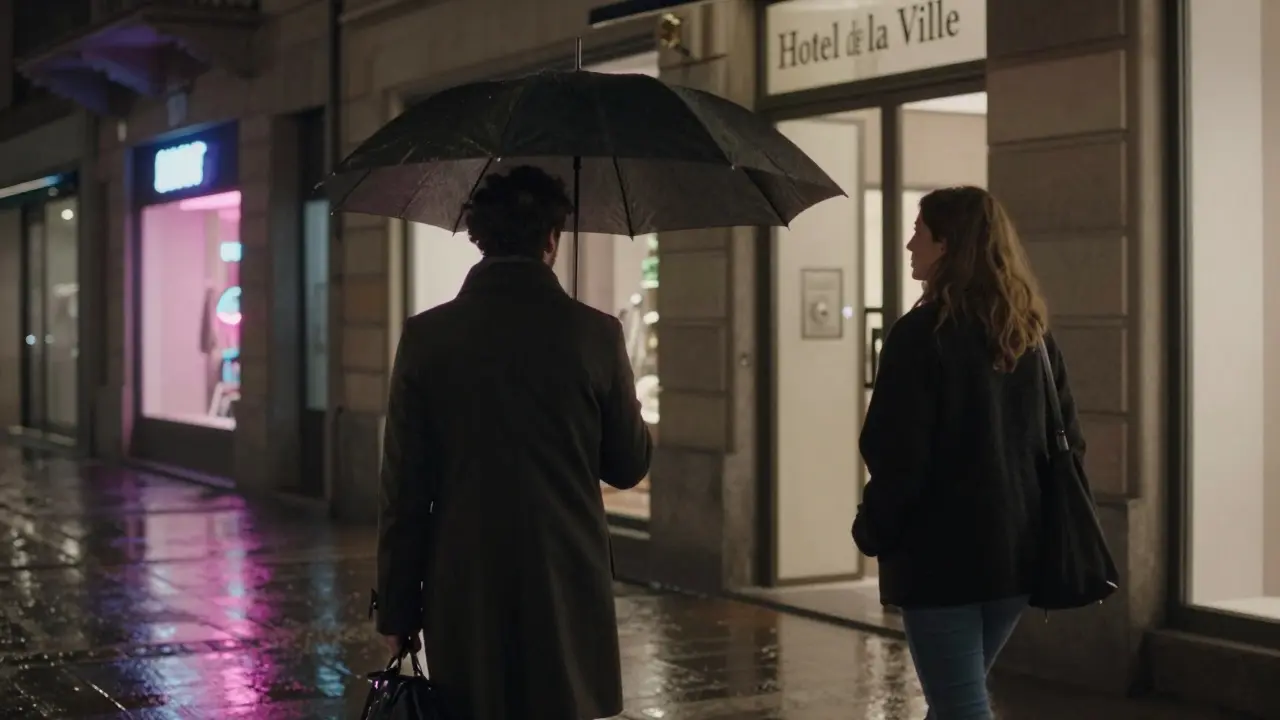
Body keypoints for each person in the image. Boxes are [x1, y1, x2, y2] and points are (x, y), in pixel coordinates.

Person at [375, 165, 653, 720]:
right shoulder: (596, 334)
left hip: (464, 580)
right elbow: (627, 465)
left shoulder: (428, 337)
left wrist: (399, 611)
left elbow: (404, 491)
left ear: (479, 237)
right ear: (552, 239)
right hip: (566, 580)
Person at [851, 186, 1085, 719]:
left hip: (943, 560)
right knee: (955, 695)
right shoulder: (1031, 336)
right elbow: (1069, 438)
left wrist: (874, 527)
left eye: (920, 232)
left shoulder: (919, 337)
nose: (910, 243)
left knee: (959, 704)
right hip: (1018, 557)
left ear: (947, 245)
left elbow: (897, 454)